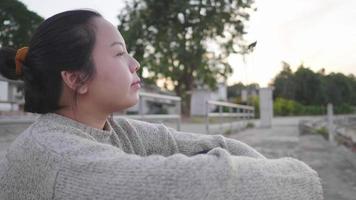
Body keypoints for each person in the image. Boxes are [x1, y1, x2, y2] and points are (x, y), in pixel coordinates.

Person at [0, 9, 323, 200]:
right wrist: (304, 179)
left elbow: (214, 144)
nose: (135, 63)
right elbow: (204, 184)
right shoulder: (59, 158)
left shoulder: (112, 129)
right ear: (75, 78)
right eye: (118, 52)